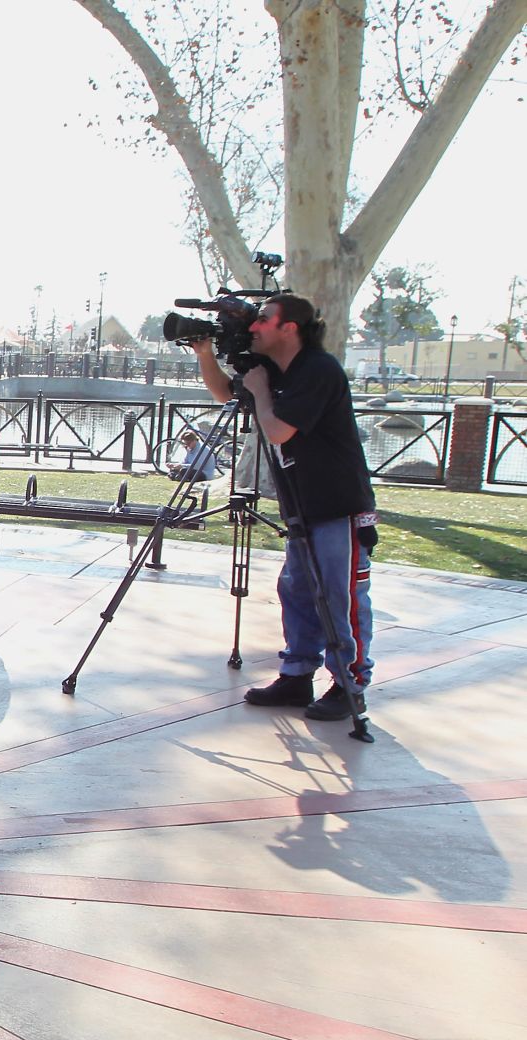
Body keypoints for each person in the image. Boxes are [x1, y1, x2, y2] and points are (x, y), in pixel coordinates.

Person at [191, 295, 377, 721]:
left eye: (262, 320)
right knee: (296, 591)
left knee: (340, 597)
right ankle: (297, 675)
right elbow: (223, 392)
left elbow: (277, 431)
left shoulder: (317, 370)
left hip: (338, 506)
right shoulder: (276, 370)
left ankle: (351, 686)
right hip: (302, 506)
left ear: (289, 327)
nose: (254, 327)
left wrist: (259, 393)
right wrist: (206, 354)